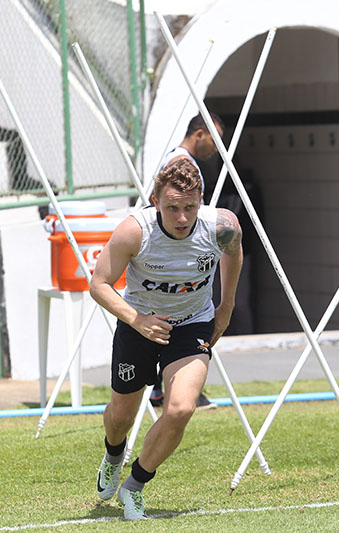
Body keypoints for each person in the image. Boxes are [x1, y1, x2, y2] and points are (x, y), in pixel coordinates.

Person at [89, 158, 243, 520]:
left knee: (180, 409)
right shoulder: (134, 231)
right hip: (140, 323)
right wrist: (137, 320)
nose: (182, 218)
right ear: (156, 202)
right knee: (121, 418)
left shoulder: (222, 225)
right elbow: (99, 285)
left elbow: (233, 255)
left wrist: (226, 306)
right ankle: (113, 456)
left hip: (193, 323)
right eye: (172, 208)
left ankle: (135, 486)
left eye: (190, 207)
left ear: (201, 201)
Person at [150, 112, 226, 409]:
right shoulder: (181, 164)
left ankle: (163, 388)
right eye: (215, 139)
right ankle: (170, 388)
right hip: (176, 260)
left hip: (175, 257)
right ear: (200, 134)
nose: (217, 148)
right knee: (180, 318)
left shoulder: (177, 159)